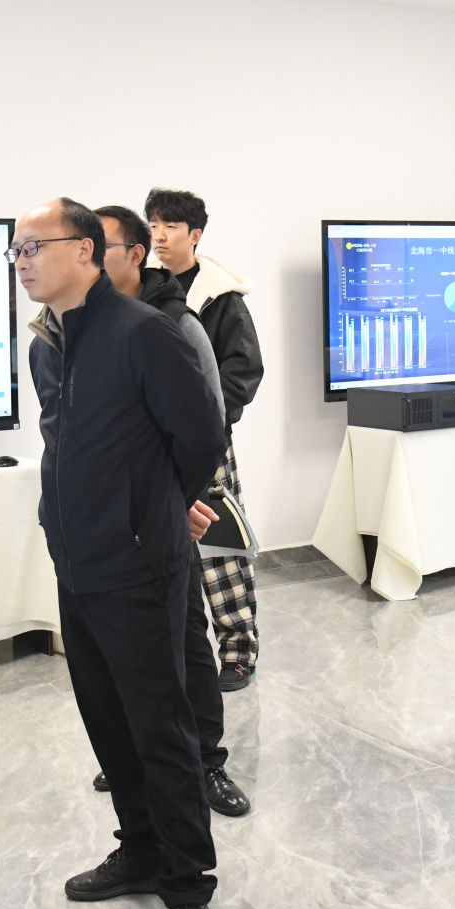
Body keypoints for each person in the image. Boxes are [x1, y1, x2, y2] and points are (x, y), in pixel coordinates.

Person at [16, 197, 229, 909]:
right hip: (78, 563)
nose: (22, 262)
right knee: (108, 722)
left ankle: (188, 890)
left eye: (34, 246)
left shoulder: (144, 333)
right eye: (16, 251)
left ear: (84, 249)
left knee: (160, 729)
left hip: (140, 563)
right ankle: (139, 849)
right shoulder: (52, 340)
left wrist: (154, 509)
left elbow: (201, 436)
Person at [70, 203, 252, 817]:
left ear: (134, 254)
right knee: (129, 648)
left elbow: (206, 421)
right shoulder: (80, 324)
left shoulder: (176, 321)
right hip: (113, 518)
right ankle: (136, 754)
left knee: (187, 633)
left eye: (100, 248)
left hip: (175, 502)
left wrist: (178, 499)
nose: (90, 260)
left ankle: (207, 762)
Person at [145, 187, 263, 690]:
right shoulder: (143, 289)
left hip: (207, 443)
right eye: (153, 225)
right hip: (153, 446)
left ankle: (238, 653)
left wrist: (208, 422)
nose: (159, 235)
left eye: (170, 226)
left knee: (221, 547)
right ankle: (178, 654)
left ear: (195, 235)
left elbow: (245, 370)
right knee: (164, 544)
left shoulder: (221, 297)